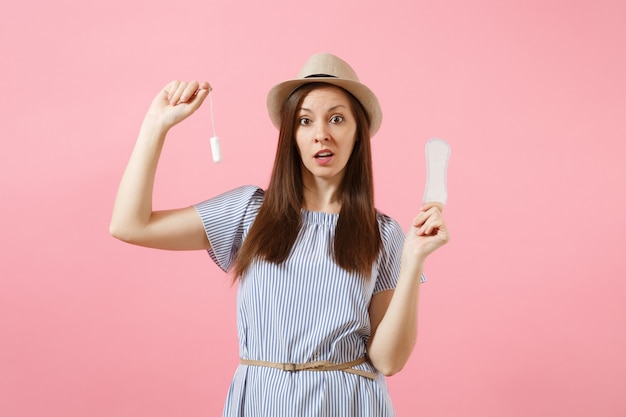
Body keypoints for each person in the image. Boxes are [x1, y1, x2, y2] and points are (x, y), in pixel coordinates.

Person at [110, 52, 449, 416]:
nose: (321, 134)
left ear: (358, 134)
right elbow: (130, 225)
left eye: (337, 119)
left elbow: (388, 361)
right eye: (305, 121)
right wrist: (155, 125)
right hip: (261, 401)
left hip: (348, 404)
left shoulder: (382, 234)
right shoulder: (249, 212)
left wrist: (413, 259)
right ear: (291, 135)